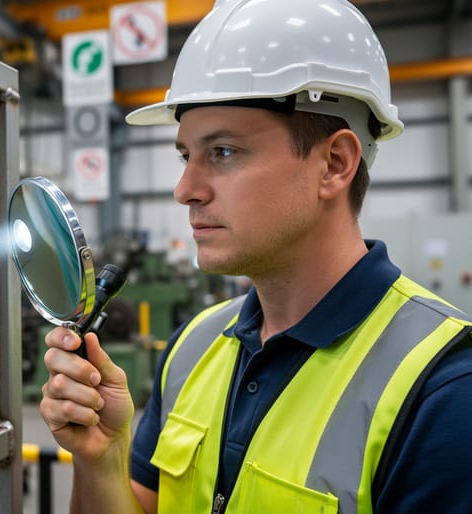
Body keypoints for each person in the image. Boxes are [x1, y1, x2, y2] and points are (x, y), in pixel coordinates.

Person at [38, 0, 472, 512]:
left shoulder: (443, 393)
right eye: (185, 156)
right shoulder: (192, 348)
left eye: (223, 152)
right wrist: (102, 457)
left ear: (334, 164)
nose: (185, 189)